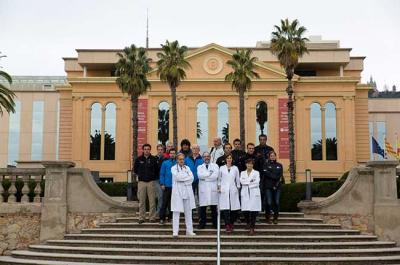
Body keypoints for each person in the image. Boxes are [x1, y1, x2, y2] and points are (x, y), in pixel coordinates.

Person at [171, 153, 196, 237]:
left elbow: (192, 178)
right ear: (177, 160)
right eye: (180, 159)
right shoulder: (173, 168)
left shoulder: (187, 168)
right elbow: (177, 177)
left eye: (183, 159)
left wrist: (183, 178)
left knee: (188, 212)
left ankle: (189, 231)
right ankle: (175, 231)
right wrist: (186, 178)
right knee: (176, 212)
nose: (182, 161)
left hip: (187, 192)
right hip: (178, 192)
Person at [134, 144, 159, 224]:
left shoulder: (154, 159)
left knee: (152, 201)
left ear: (150, 150)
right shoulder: (138, 159)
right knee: (141, 201)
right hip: (142, 182)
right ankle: (141, 217)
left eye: (148, 149)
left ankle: (152, 217)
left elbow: (157, 170)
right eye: (145, 149)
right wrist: (141, 175)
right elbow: (135, 170)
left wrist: (153, 177)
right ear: (143, 150)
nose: (146, 150)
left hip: (151, 182)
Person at [218, 154, 241, 233]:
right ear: (225, 159)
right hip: (224, 190)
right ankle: (227, 224)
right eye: (228, 158)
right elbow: (219, 179)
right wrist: (219, 187)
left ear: (232, 159)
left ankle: (231, 223)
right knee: (225, 208)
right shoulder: (221, 168)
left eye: (230, 158)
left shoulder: (235, 168)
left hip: (233, 189)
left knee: (233, 208)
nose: (229, 159)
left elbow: (237, 179)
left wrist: (238, 188)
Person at [197, 152, 219, 229]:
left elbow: (215, 176)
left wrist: (205, 177)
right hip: (203, 189)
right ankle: (202, 224)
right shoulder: (200, 167)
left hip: (212, 189)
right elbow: (199, 176)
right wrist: (209, 174)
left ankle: (215, 224)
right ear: (203, 158)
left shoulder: (215, 166)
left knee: (213, 208)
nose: (206, 158)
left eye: (208, 156)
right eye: (205, 156)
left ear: (210, 157)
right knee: (203, 208)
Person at [240, 158, 261, 235]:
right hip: (245, 193)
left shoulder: (256, 173)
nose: (249, 165)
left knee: (253, 211)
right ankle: (248, 222)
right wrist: (250, 181)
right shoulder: (242, 173)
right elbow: (242, 182)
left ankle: (252, 228)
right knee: (245, 210)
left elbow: (257, 182)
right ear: (246, 164)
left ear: (253, 165)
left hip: (254, 193)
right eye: (248, 163)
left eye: (251, 164)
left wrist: (247, 182)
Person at [263, 151, 284, 224]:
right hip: (268, 187)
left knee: (277, 202)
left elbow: (280, 175)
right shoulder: (266, 165)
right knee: (268, 203)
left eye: (273, 155)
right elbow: (266, 173)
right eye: (271, 156)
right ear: (269, 157)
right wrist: (275, 176)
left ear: (275, 156)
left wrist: (274, 177)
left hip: (277, 187)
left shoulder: (279, 165)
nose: (272, 157)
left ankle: (275, 218)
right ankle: (267, 217)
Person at [159, 148, 177, 224]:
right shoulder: (165, 163)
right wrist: (162, 183)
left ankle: (170, 217)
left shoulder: (178, 163)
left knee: (173, 203)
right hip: (166, 186)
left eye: (174, 153)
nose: (172, 154)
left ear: (175, 154)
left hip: (175, 186)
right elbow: (162, 174)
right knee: (165, 202)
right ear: (169, 154)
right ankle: (162, 218)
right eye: (171, 153)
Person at [155, 144, 165, 217]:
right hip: (156, 180)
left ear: (163, 151)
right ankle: (158, 212)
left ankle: (165, 212)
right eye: (159, 149)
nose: (160, 151)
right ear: (157, 150)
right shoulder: (153, 158)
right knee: (160, 196)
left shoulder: (165, 159)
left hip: (164, 180)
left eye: (161, 150)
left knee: (165, 197)